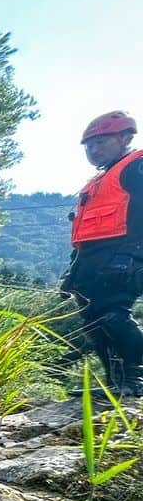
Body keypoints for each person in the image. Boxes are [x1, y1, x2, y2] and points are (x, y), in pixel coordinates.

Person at [61, 110, 143, 397]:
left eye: (101, 142)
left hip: (123, 258)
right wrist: (74, 269)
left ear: (125, 138)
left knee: (112, 316)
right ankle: (119, 384)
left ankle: (135, 379)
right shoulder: (102, 178)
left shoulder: (137, 166)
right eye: (89, 145)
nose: (93, 149)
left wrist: (135, 255)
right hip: (92, 261)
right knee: (94, 320)